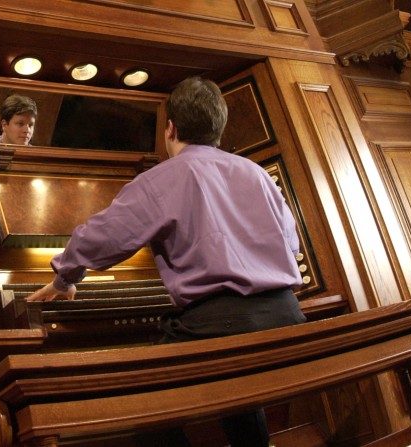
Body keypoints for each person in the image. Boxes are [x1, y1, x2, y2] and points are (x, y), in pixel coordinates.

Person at [25, 76, 306, 447]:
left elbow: (105, 236)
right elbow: (293, 243)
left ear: (170, 128)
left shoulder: (164, 177)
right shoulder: (257, 173)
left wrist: (65, 276)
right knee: (236, 386)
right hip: (287, 319)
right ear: (218, 129)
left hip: (220, 326)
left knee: (144, 400)